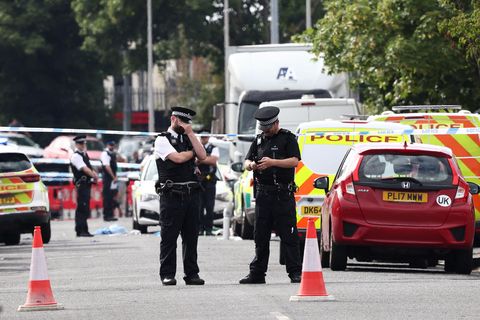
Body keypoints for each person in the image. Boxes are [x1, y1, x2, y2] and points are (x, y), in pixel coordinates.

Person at [239, 106, 302, 284]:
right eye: (263, 129)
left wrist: (273, 162)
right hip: (263, 194)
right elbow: (246, 160)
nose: (265, 132)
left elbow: (294, 161)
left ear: (275, 123)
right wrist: (251, 165)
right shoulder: (259, 140)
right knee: (260, 235)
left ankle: (295, 272)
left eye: (268, 128)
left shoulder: (287, 138)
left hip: (282, 194)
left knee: (289, 235)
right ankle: (257, 273)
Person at [154, 106, 207, 286]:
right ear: (174, 119)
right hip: (172, 194)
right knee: (169, 237)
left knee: (191, 237)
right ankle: (167, 274)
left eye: (187, 122)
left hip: (191, 194)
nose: (185, 125)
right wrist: (191, 154)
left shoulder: (188, 138)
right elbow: (176, 158)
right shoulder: (162, 139)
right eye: (182, 121)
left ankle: (192, 274)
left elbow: (203, 155)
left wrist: (191, 135)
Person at [70, 135, 98, 237]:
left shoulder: (84, 155)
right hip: (82, 184)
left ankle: (84, 229)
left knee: (85, 207)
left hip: (86, 184)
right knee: (82, 207)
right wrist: (94, 176)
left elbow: (89, 166)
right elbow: (84, 169)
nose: (83, 145)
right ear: (77, 144)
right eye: (81, 143)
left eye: (84, 143)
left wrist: (94, 173)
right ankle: (80, 230)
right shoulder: (76, 156)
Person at [196, 131, 220, 236]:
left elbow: (213, 161)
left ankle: (209, 229)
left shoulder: (213, 147)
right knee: (199, 206)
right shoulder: (196, 147)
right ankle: (200, 229)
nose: (203, 139)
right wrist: (205, 159)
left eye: (205, 137)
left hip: (210, 180)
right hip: (199, 180)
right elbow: (194, 160)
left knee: (210, 206)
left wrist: (201, 159)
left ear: (208, 138)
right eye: (202, 137)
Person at [100, 141, 119, 222]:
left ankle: (110, 214)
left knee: (111, 196)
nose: (112, 147)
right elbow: (107, 167)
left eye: (113, 145)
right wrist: (113, 176)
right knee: (107, 197)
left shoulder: (112, 153)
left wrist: (115, 176)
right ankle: (107, 215)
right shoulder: (105, 154)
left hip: (112, 178)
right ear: (107, 145)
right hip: (108, 178)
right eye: (111, 145)